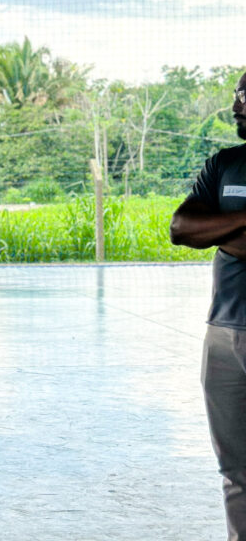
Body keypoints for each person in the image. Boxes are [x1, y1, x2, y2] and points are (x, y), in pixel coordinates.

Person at [170, 70, 246, 541]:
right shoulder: (225, 163)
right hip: (223, 332)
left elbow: (205, 231)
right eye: (237, 94)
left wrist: (220, 230)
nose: (237, 102)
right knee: (235, 468)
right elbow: (181, 228)